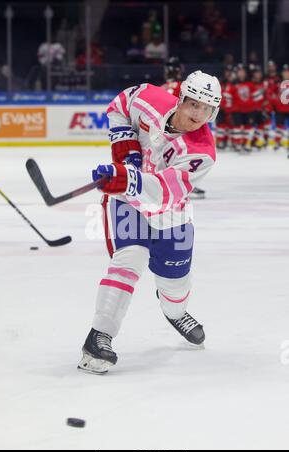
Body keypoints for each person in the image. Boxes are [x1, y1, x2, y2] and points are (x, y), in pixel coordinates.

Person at [78, 71, 221, 374]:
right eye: (194, 104)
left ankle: (175, 312)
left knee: (175, 283)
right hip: (128, 206)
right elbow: (120, 105)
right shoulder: (150, 98)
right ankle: (99, 336)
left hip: (172, 216)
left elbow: (164, 193)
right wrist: (124, 148)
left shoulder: (201, 152)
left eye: (207, 110)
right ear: (180, 99)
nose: (198, 115)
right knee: (128, 260)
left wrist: (126, 178)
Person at [161, 57, 207, 199]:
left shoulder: (161, 87)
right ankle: (180, 186)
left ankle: (165, 185)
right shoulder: (184, 87)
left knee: (164, 158)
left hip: (163, 128)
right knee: (181, 157)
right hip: (180, 127)